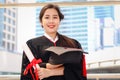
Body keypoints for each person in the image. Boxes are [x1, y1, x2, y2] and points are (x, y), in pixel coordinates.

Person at [20, 3, 87, 80]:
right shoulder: (31, 45)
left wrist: (49, 71)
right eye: (47, 17)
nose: (51, 21)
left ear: (59, 20)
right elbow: (27, 73)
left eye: (55, 17)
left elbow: (79, 71)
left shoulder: (73, 44)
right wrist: (50, 66)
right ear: (41, 21)